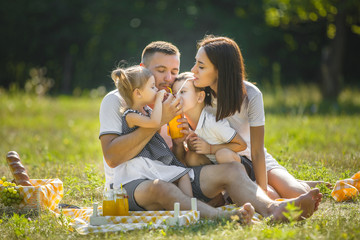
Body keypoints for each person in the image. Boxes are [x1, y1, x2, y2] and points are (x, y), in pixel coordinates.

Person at [99, 40, 322, 222]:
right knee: (163, 189)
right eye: (161, 71)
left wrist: (180, 143)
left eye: (174, 71)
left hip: (175, 176)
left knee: (232, 170)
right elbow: (112, 157)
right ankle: (221, 215)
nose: (169, 79)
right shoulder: (116, 101)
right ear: (141, 70)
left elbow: (177, 162)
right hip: (135, 185)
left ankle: (273, 209)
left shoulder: (171, 101)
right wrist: (159, 122)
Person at [190, 35, 325, 199]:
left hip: (256, 160)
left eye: (201, 66)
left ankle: (295, 183)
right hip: (228, 163)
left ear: (220, 70)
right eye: (196, 62)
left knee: (297, 194)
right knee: (275, 197)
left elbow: (257, 151)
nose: (193, 70)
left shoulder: (251, 95)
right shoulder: (197, 94)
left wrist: (262, 190)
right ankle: (288, 184)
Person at [110, 65, 192, 197]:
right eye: (152, 87)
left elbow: (156, 130)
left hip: (149, 160)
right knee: (181, 175)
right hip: (141, 164)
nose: (156, 90)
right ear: (138, 93)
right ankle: (190, 207)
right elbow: (154, 123)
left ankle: (190, 205)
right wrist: (159, 100)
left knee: (183, 174)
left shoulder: (147, 110)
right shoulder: (130, 115)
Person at [172, 72, 255, 182]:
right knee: (191, 157)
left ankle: (243, 187)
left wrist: (210, 149)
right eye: (174, 94)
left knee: (223, 154)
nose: (177, 97)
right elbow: (183, 159)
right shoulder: (183, 124)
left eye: (182, 92)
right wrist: (187, 145)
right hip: (217, 167)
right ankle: (219, 196)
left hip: (244, 167)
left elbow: (241, 145)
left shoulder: (213, 123)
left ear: (200, 97)